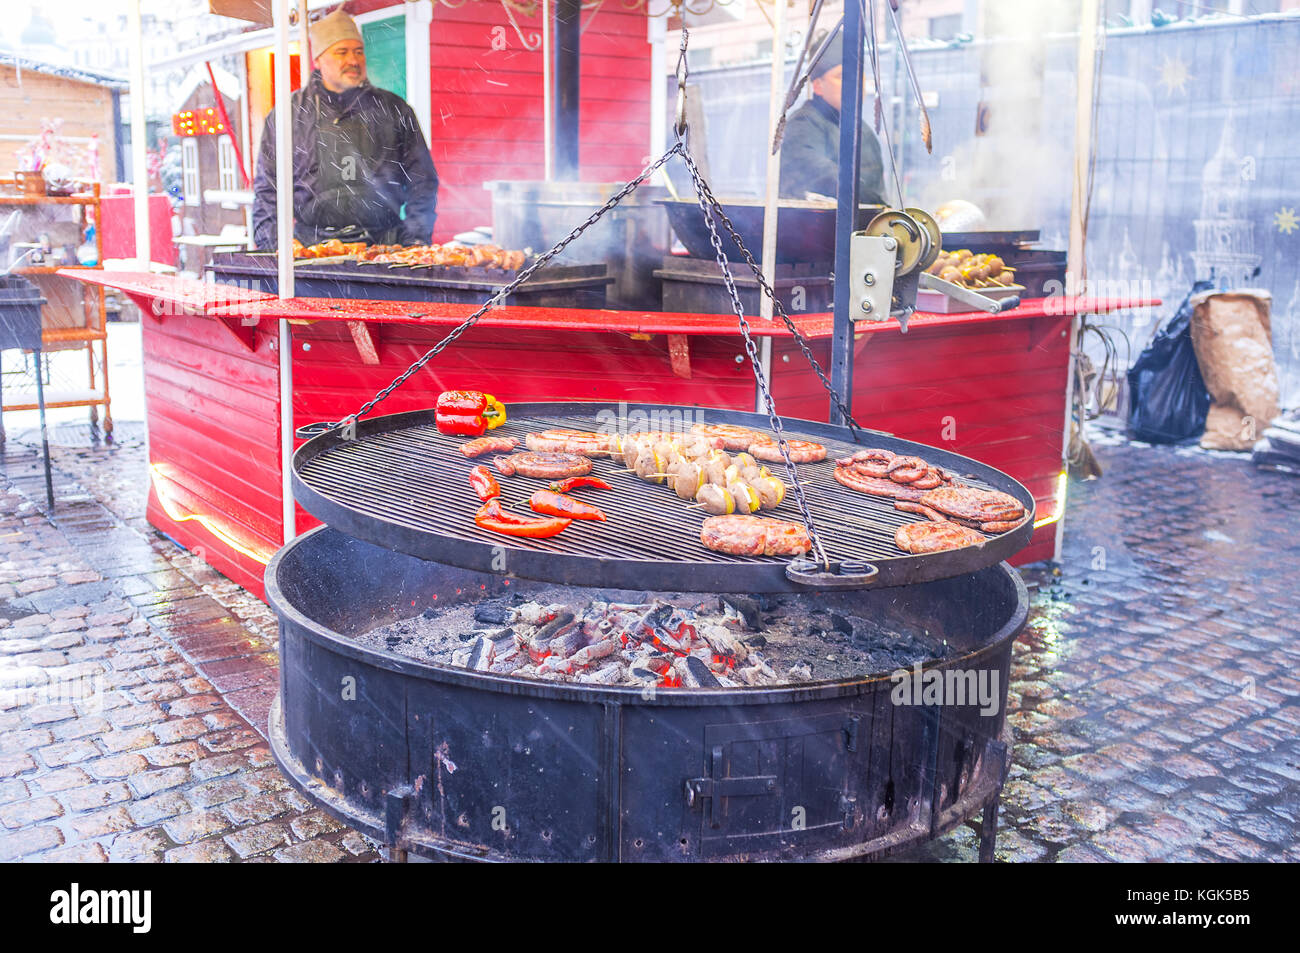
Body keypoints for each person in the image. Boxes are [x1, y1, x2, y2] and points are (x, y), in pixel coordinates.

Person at [252, 9, 438, 249]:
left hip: (384, 248)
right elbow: (268, 188)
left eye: (358, 52)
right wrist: (273, 244)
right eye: (342, 52)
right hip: (313, 251)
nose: (353, 60)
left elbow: (422, 179)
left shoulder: (395, 110)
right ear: (317, 60)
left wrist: (415, 238)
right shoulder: (288, 115)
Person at [778, 41, 887, 207]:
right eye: (842, 76)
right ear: (818, 86)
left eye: (859, 74)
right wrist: (879, 205)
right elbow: (824, 177)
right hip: (814, 229)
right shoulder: (803, 124)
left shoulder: (864, 130)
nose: (854, 82)